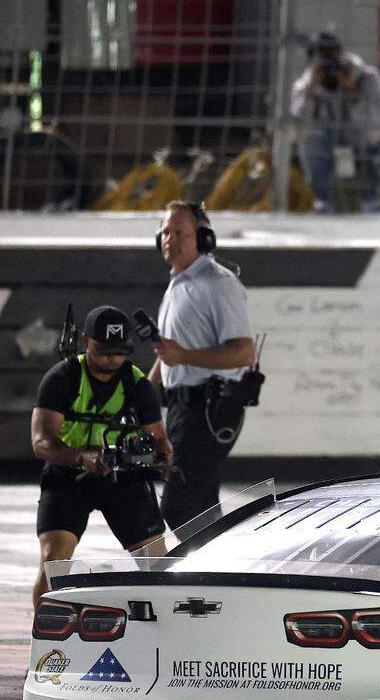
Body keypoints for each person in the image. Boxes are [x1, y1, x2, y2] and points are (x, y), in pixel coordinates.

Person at [31, 305, 172, 609]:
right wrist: (81, 457)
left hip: (122, 479)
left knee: (159, 565)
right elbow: (41, 442)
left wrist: (158, 458)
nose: (112, 359)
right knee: (52, 562)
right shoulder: (63, 378)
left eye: (120, 352)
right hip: (68, 477)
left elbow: (160, 439)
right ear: (85, 341)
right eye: (104, 350)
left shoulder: (136, 384)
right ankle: (44, 636)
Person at [151, 201, 254, 530]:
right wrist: (139, 388)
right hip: (181, 407)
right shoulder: (177, 284)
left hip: (210, 408)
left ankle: (205, 572)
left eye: (179, 232)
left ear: (204, 238)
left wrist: (184, 356)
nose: (170, 239)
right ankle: (225, 571)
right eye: (166, 232)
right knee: (201, 507)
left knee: (178, 505)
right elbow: (170, 351)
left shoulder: (218, 284)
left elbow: (243, 353)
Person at [291, 32, 380, 213]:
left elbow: (375, 126)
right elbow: (298, 122)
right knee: (312, 139)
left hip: (366, 148)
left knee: (376, 150)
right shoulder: (307, 83)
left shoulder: (368, 77)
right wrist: (311, 90)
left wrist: (352, 90)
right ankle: (322, 203)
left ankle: (372, 203)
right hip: (330, 149)